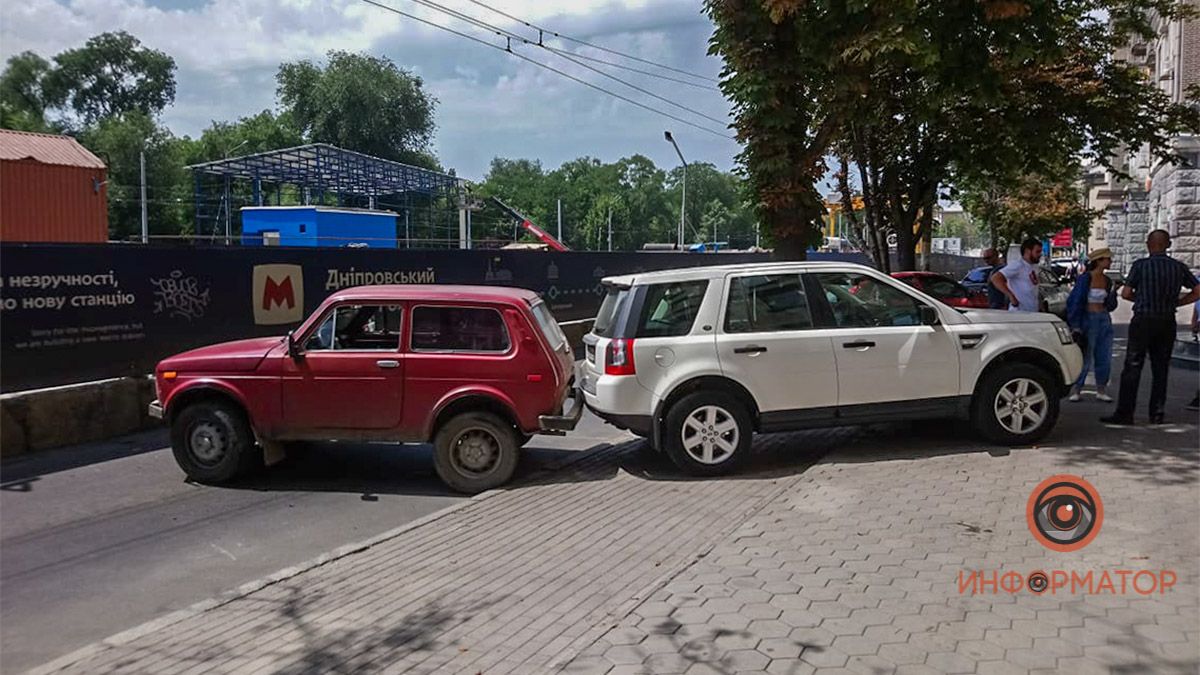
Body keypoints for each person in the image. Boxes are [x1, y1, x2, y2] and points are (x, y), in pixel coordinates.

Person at [1101, 230, 1200, 425]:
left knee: (1133, 366)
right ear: (1168, 244)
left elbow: (1127, 293)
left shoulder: (1140, 266)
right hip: (1167, 320)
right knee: (1161, 367)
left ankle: (1125, 413)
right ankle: (1156, 413)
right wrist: (1178, 303)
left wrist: (1142, 298)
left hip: (1144, 319)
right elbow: (1197, 290)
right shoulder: (1178, 267)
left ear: (1148, 244)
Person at [1065, 248, 1119, 402]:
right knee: (1086, 354)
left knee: (1104, 354)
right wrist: (1075, 324)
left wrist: (1114, 291)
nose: (1110, 262)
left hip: (1104, 318)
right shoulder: (1085, 278)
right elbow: (1075, 301)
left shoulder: (1107, 280)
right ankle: (1077, 389)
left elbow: (1110, 305)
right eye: (1107, 259)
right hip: (1088, 318)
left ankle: (1101, 389)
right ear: (1099, 261)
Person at [991, 238, 1042, 313]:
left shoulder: (1034, 267)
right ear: (1028, 251)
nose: (1040, 255)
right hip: (1019, 312)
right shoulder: (1017, 265)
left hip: (1032, 312)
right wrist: (1011, 296)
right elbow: (995, 278)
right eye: (1037, 252)